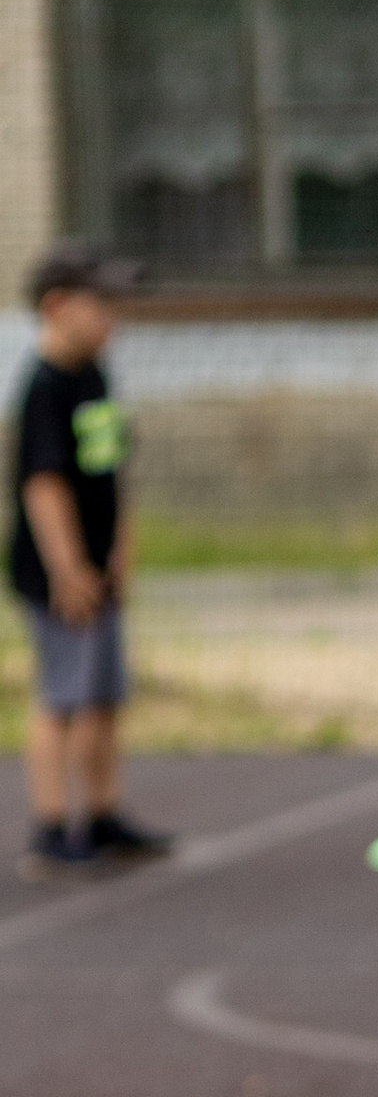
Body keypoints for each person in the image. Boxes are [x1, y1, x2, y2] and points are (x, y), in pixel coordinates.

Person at [11, 240, 170, 880]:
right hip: (56, 574)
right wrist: (67, 566)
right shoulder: (44, 387)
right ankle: (51, 827)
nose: (114, 317)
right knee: (62, 697)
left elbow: (111, 469)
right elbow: (43, 484)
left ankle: (102, 814)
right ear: (56, 307)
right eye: (100, 303)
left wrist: (120, 553)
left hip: (99, 568)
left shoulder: (97, 377)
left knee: (104, 696)